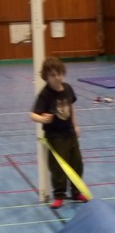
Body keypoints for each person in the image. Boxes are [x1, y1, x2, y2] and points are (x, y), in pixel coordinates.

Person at [30, 57, 87, 210]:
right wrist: (42, 119)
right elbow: (32, 115)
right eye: (53, 75)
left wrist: (75, 125)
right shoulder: (45, 94)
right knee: (58, 168)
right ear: (46, 76)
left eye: (60, 74)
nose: (57, 78)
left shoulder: (67, 88)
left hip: (70, 133)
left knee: (77, 163)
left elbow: (71, 108)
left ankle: (76, 192)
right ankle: (59, 195)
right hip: (55, 136)